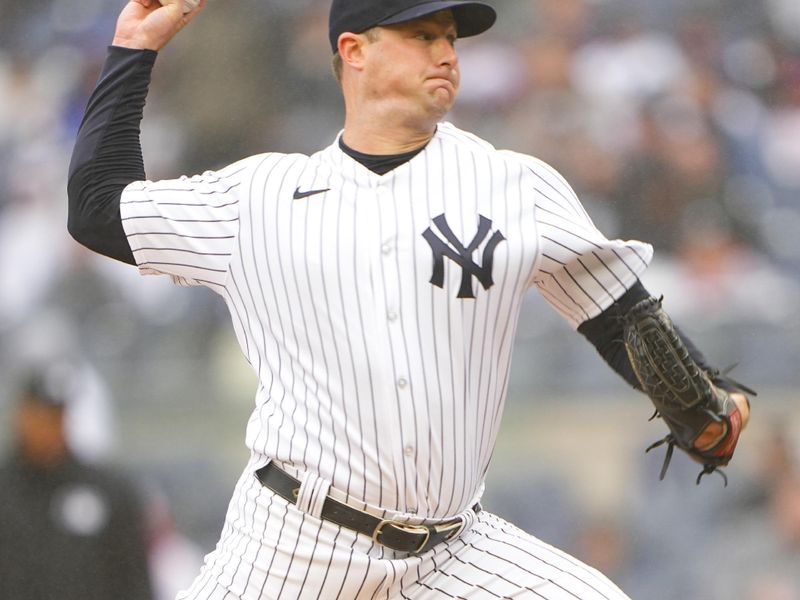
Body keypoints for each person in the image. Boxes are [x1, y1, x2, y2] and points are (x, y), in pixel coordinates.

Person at [66, 0, 752, 597]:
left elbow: (619, 313)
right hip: (292, 544)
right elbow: (98, 208)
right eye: (422, 35)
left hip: (451, 553)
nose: (446, 53)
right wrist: (136, 47)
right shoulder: (259, 199)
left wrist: (701, 398)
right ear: (354, 50)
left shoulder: (513, 185)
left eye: (450, 38)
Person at [0, 365, 154, 600]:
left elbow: (133, 579)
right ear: (21, 414)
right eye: (39, 415)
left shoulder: (107, 492)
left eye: (55, 417)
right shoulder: (5, 491)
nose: (47, 428)